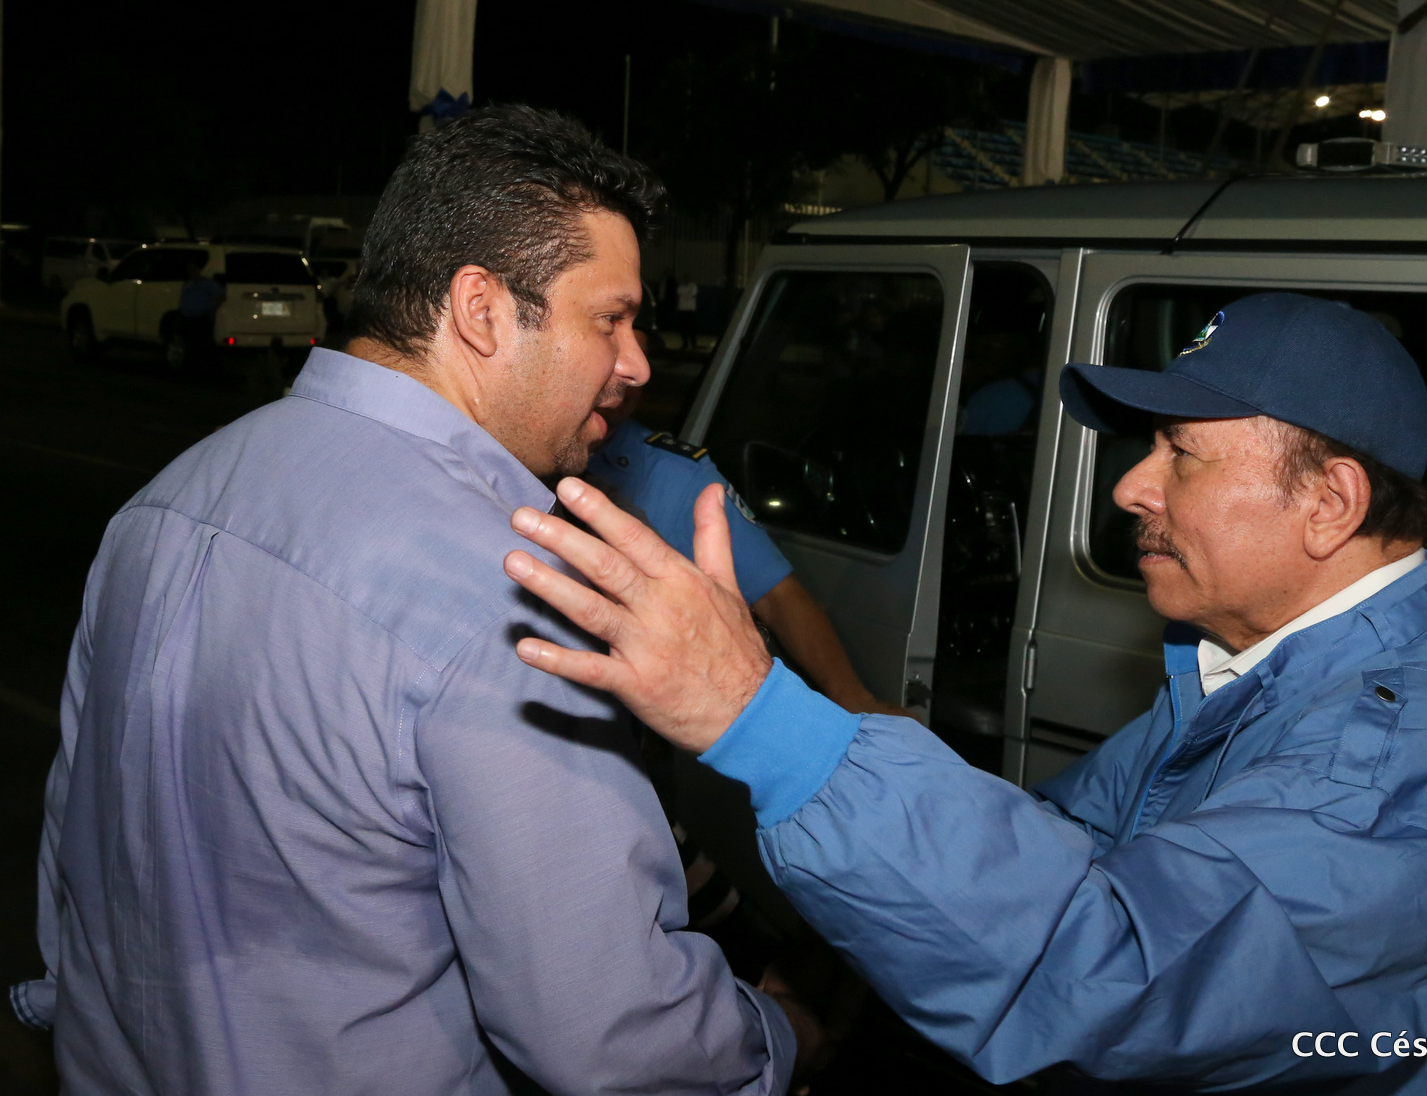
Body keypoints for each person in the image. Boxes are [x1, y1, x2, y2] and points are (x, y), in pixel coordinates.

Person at [501, 292, 1427, 1094]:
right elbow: (1064, 837)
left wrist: (761, 717)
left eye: (1181, 454)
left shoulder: (1389, 773)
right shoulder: (1255, 669)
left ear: (1328, 503)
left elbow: (1110, 966)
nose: (1131, 485)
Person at [13, 105, 805, 1095]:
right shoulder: (512, 592)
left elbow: (74, 858)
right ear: (481, 309)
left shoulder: (161, 506)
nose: (638, 361)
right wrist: (778, 1037)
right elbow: (606, 1029)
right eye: (610, 318)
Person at [587, 382, 907, 717]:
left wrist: (855, 700)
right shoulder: (551, 466)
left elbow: (778, 595)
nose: (634, 371)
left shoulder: (680, 477)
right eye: (612, 352)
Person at [677, 275, 699, 350]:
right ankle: (685, 344)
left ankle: (693, 344)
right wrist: (687, 295)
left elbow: (692, 295)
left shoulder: (693, 286)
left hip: (690, 310)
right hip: (682, 309)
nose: (686, 280)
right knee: (683, 328)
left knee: (692, 328)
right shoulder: (681, 287)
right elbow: (680, 294)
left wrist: (685, 295)